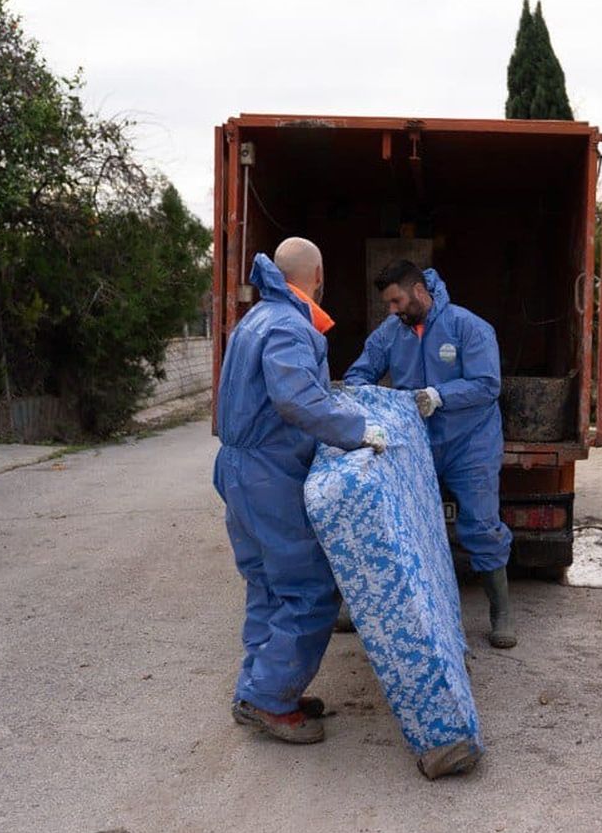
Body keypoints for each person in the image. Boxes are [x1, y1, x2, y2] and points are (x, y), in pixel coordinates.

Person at [214, 238, 387, 744]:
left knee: (267, 584)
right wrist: (357, 431)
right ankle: (270, 698)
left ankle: (260, 689)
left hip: (241, 467)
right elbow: (296, 400)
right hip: (268, 472)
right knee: (309, 588)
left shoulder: (258, 319)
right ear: (318, 273)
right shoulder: (290, 325)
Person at [344, 260, 516, 648]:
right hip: (415, 442)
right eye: (388, 304)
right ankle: (370, 604)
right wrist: (376, 403)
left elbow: (488, 385)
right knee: (395, 521)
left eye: (396, 301)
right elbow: (359, 375)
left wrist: (440, 396)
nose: (392, 310)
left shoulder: (467, 327)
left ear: (419, 292)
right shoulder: (391, 333)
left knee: (481, 525)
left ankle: (501, 610)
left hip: (470, 443)